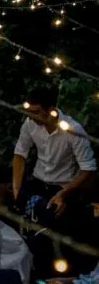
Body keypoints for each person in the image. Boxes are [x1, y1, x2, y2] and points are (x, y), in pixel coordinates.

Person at [12, 85, 96, 221]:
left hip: (63, 187)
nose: (31, 117)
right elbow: (20, 154)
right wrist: (16, 189)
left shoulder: (73, 130)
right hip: (38, 182)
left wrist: (63, 193)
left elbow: (88, 168)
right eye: (29, 112)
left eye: (36, 112)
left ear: (51, 111)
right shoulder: (30, 123)